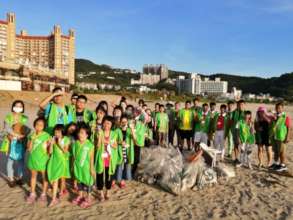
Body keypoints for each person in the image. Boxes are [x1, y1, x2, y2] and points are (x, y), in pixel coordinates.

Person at [0, 100, 29, 187]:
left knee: (21, 160)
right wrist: (14, 135)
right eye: (16, 106)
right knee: (10, 160)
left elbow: (25, 129)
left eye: (20, 106)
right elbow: (7, 129)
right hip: (10, 140)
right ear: (13, 106)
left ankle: (20, 177)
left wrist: (23, 135)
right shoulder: (8, 117)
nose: (18, 108)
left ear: (23, 108)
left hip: (21, 141)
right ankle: (11, 179)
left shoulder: (24, 118)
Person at [26, 117, 51, 204]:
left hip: (43, 160)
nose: (39, 127)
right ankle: (32, 193)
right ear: (34, 125)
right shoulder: (31, 135)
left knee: (45, 177)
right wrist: (32, 139)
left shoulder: (47, 136)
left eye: (41, 125)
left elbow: (49, 150)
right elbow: (29, 149)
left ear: (44, 126)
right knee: (33, 176)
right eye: (37, 125)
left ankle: (43, 194)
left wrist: (49, 146)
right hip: (33, 159)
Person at [72, 123, 95, 208]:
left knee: (88, 183)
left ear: (87, 135)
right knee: (79, 183)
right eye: (79, 132)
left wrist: (91, 169)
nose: (79, 134)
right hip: (78, 167)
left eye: (82, 133)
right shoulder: (75, 144)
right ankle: (80, 195)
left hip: (86, 168)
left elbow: (91, 159)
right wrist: (72, 166)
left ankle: (88, 198)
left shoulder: (90, 145)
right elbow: (74, 157)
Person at [47, 124, 71, 207]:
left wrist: (58, 144)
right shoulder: (53, 139)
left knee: (61, 178)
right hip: (54, 161)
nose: (57, 133)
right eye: (55, 132)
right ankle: (55, 198)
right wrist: (51, 144)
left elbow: (65, 151)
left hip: (62, 162)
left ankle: (58, 194)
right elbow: (50, 152)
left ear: (62, 132)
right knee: (55, 179)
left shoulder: (66, 139)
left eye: (59, 132)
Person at [95, 116, 118, 201]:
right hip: (101, 158)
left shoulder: (114, 134)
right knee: (100, 175)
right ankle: (101, 193)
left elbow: (115, 146)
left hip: (110, 158)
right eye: (104, 122)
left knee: (109, 176)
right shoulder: (99, 132)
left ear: (111, 125)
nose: (106, 125)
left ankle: (107, 192)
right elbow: (97, 146)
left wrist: (108, 143)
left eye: (108, 123)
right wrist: (100, 138)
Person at [270, 102, 291, 172]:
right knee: (276, 151)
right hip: (275, 136)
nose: (278, 109)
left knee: (282, 151)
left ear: (282, 108)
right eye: (276, 108)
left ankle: (283, 165)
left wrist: (287, 137)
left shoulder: (285, 117)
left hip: (282, 137)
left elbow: (289, 127)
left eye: (279, 108)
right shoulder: (275, 116)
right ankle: (276, 164)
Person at [116, 115, 136, 188]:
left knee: (127, 166)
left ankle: (124, 180)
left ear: (127, 122)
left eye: (125, 121)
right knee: (119, 167)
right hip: (120, 150)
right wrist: (120, 142)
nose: (124, 123)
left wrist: (132, 129)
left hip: (128, 151)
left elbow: (135, 140)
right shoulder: (117, 130)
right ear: (120, 122)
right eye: (122, 122)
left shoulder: (129, 130)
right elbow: (114, 141)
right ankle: (120, 180)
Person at [231, 100, 246, 166]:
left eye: (242, 105)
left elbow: (250, 122)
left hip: (243, 133)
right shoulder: (234, 112)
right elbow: (231, 121)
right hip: (235, 131)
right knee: (236, 145)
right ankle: (236, 159)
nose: (240, 106)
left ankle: (242, 159)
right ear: (237, 105)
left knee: (243, 147)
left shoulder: (246, 113)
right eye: (239, 105)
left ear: (244, 105)